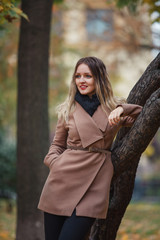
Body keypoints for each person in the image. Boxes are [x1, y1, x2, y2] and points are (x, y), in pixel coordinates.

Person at [38, 56, 142, 240]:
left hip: (94, 185)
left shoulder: (111, 108)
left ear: (99, 78)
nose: (81, 81)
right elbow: (57, 145)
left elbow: (142, 114)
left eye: (87, 76)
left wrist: (121, 109)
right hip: (61, 182)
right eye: (78, 76)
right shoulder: (67, 109)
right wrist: (55, 163)